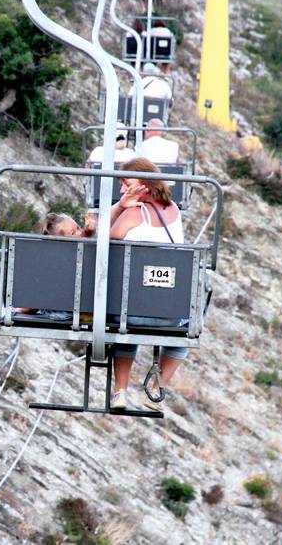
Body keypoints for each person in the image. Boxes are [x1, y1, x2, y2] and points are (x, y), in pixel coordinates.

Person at [106, 158, 188, 411]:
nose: (122, 190)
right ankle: (156, 389)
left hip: (130, 313)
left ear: (143, 183)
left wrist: (121, 206)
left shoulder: (133, 213)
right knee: (184, 332)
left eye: (126, 184)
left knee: (126, 328)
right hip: (169, 316)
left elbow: (101, 235)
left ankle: (120, 391)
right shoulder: (174, 210)